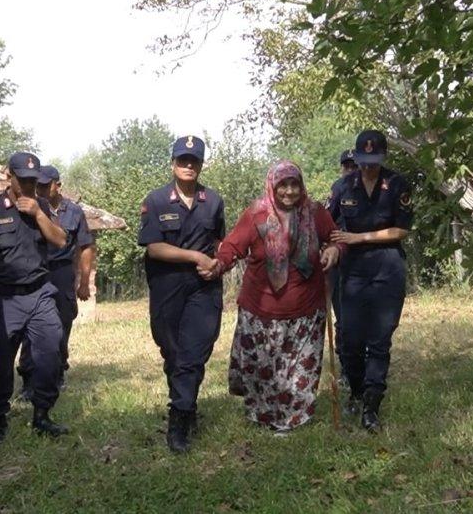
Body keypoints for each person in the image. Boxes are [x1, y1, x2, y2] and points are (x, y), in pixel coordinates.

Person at [216, 161, 342, 433]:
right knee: (263, 368)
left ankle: (292, 419)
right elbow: (232, 247)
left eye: (294, 184)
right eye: (282, 185)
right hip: (260, 309)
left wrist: (334, 249)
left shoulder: (316, 212)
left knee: (299, 372)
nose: (289, 191)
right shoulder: (256, 214)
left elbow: (335, 237)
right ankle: (263, 416)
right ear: (272, 186)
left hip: (306, 309)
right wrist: (218, 264)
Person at [138, 135, 226, 453]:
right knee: (173, 353)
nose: (188, 166)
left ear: (201, 164)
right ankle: (186, 405)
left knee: (193, 353)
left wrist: (217, 264)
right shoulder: (156, 200)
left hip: (204, 289)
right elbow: (154, 246)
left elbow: (219, 243)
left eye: (194, 161)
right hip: (167, 287)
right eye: (182, 160)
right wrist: (195, 257)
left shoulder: (213, 201)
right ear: (173, 163)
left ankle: (179, 422)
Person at [0, 152, 69, 441]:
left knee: (50, 351)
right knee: (1, 362)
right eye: (23, 180)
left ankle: (42, 414)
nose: (29, 186)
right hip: (4, 298)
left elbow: (60, 240)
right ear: (9, 176)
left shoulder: (42, 206)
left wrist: (39, 214)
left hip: (40, 293)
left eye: (34, 181)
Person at [328, 130, 413, 431]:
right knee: (350, 340)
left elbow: (401, 230)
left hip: (387, 266)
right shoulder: (342, 187)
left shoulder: (398, 184)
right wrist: (330, 248)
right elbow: (328, 224)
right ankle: (356, 390)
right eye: (363, 161)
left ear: (383, 157)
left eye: (373, 161)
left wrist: (359, 237)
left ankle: (372, 404)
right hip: (351, 270)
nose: (367, 167)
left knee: (379, 338)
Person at [17, 165, 96, 404]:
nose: (39, 189)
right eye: (37, 185)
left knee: (61, 325)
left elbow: (85, 247)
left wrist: (84, 281)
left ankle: (57, 371)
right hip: (35, 272)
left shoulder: (73, 212)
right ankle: (28, 379)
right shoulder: (28, 207)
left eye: (44, 185)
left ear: (57, 185)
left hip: (61, 274)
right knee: (31, 327)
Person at [326, 149, 357, 373]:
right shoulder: (338, 188)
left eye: (354, 166)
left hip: (366, 259)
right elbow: (327, 220)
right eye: (347, 166)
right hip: (341, 259)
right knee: (344, 317)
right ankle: (347, 368)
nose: (350, 170)